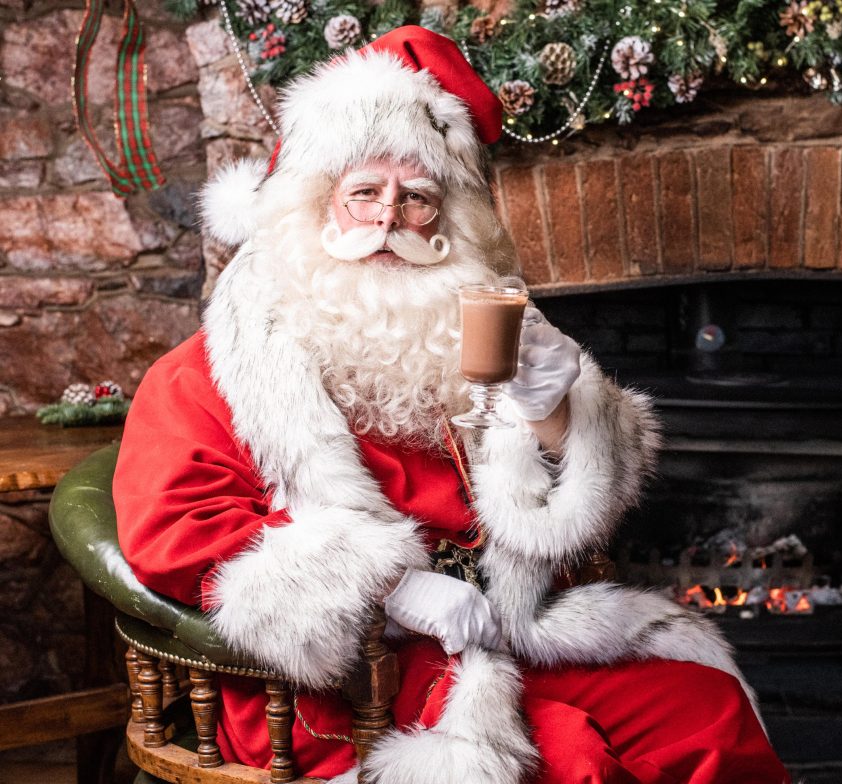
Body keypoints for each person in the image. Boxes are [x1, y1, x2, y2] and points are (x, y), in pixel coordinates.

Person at [113, 25, 787, 784]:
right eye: (364, 193)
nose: (388, 221)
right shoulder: (212, 369)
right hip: (347, 677)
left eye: (418, 199)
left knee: (705, 711)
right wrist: (390, 590)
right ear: (316, 209)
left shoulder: (483, 321)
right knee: (570, 758)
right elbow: (174, 529)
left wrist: (558, 416)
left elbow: (610, 473)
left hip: (510, 631)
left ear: (448, 219)